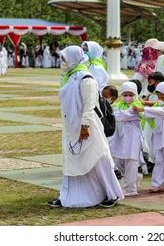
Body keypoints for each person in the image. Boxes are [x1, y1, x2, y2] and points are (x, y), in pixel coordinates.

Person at [47, 45, 123, 208]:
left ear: (74, 58)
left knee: (97, 158)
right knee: (72, 160)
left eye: (64, 58)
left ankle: (112, 194)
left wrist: (85, 126)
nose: (62, 61)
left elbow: (89, 106)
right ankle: (67, 196)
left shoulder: (87, 79)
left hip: (87, 126)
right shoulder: (69, 77)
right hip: (71, 126)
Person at [110, 82, 143, 196]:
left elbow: (121, 116)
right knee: (118, 160)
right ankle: (135, 177)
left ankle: (131, 188)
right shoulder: (118, 104)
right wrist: (117, 113)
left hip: (133, 137)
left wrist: (117, 113)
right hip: (121, 136)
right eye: (125, 94)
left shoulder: (137, 105)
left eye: (130, 94)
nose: (127, 97)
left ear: (135, 94)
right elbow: (115, 114)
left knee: (131, 161)